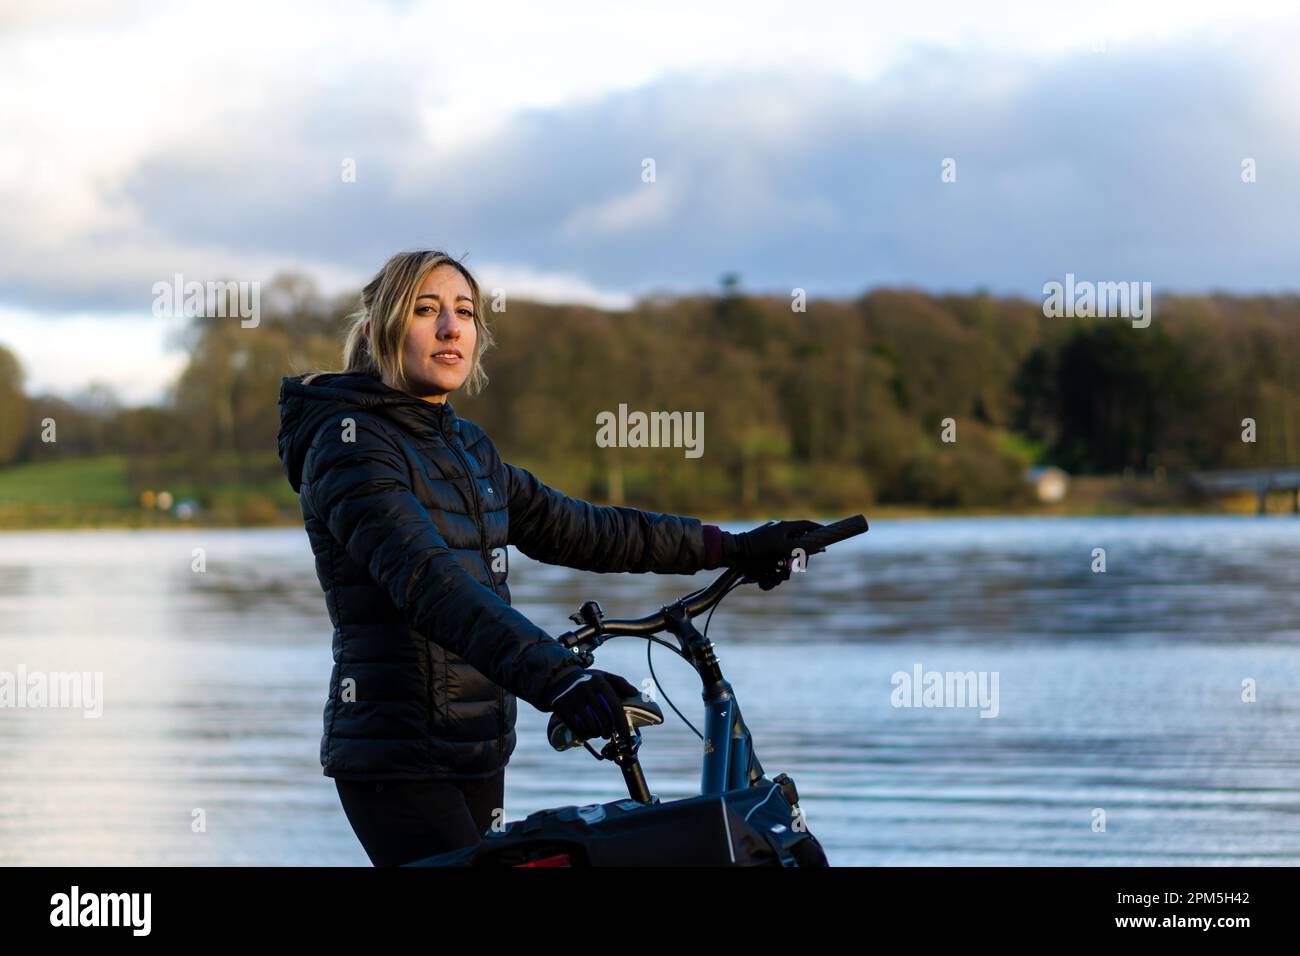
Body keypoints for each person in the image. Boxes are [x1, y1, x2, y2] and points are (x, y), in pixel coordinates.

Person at [276, 249, 820, 866]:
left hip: (477, 743)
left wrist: (734, 546)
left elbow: (584, 530)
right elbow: (430, 582)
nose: (451, 328)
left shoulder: (467, 448)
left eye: (465, 312)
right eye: (427, 311)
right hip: (397, 756)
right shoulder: (348, 446)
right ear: (382, 329)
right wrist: (561, 677)